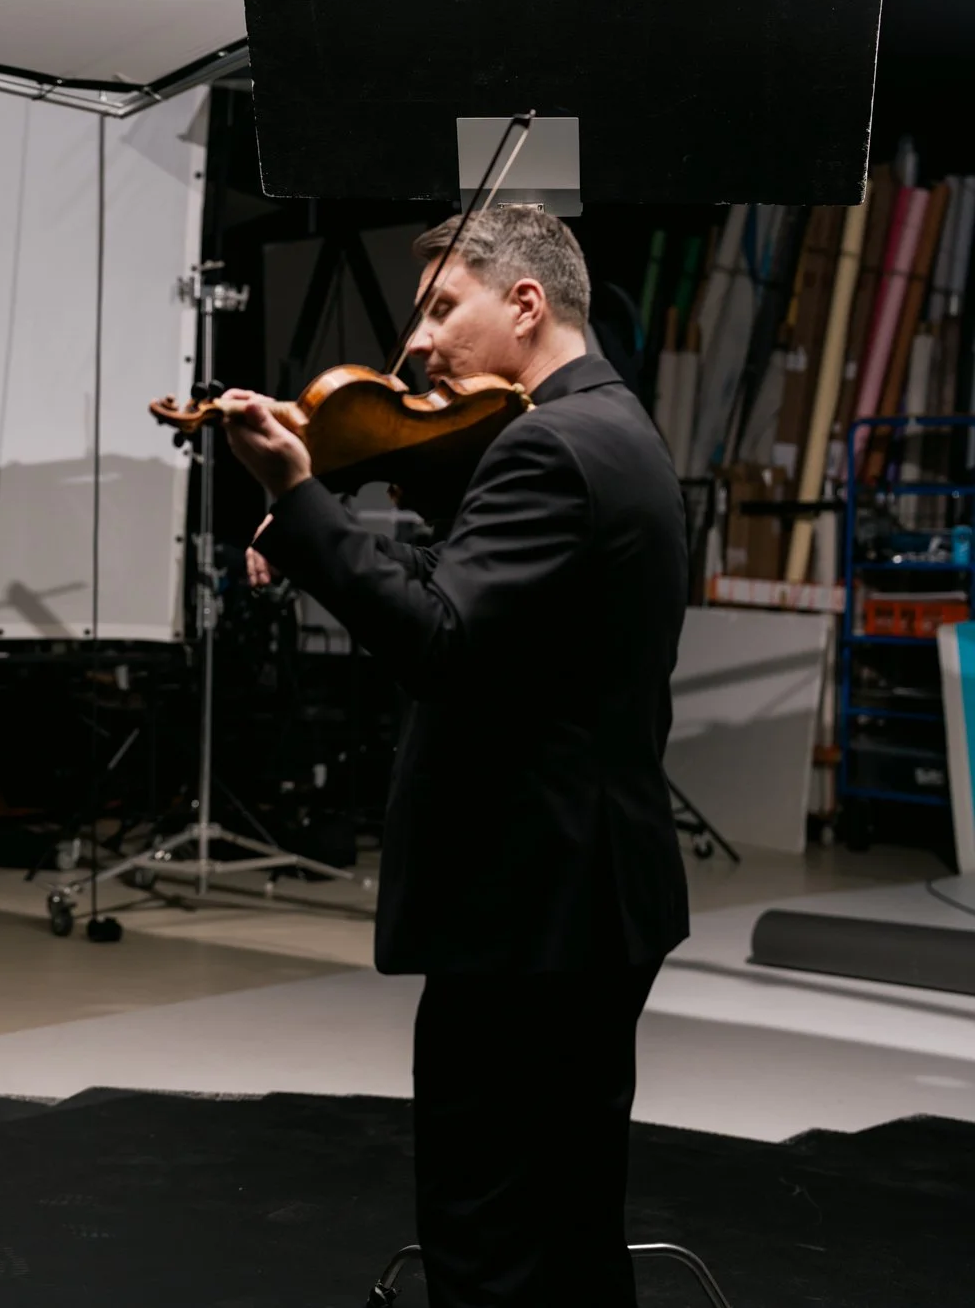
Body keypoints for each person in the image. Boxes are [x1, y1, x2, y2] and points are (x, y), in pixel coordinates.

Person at [224, 206, 689, 1307]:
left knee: (482, 1235)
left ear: (524, 303)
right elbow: (513, 606)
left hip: (528, 904)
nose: (419, 342)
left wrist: (296, 498)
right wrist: (345, 523)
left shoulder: (545, 446)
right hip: (594, 896)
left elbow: (441, 638)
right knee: (568, 1224)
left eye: (442, 306)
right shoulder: (615, 424)